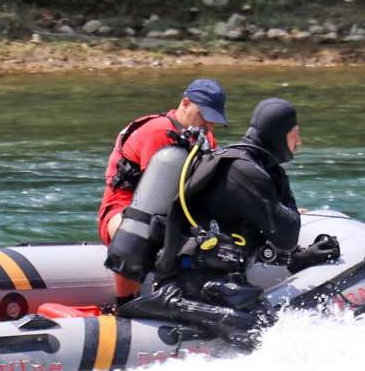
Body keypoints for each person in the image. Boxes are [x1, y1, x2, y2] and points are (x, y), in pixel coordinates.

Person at [120, 98, 340, 345]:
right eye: (294, 134)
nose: (299, 142)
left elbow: (243, 238)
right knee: (266, 334)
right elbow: (287, 235)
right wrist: (282, 183)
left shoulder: (237, 162)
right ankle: (169, 303)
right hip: (197, 284)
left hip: (210, 276)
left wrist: (300, 259)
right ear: (278, 134)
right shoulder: (245, 172)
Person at [98, 78, 228, 304]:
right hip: (124, 213)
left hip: (175, 212)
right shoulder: (158, 132)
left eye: (213, 121)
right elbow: (158, 194)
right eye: (204, 115)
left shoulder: (204, 137)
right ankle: (125, 303)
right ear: (185, 103)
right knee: (146, 227)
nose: (208, 125)